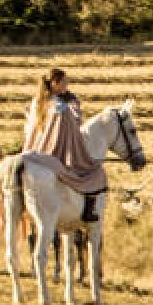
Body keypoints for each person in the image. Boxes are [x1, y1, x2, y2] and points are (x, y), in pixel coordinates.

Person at [23, 68, 104, 222]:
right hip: (56, 151)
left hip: (33, 149)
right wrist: (75, 107)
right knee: (94, 171)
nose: (67, 84)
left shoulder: (36, 102)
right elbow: (75, 123)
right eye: (64, 82)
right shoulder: (60, 106)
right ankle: (88, 210)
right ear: (54, 83)